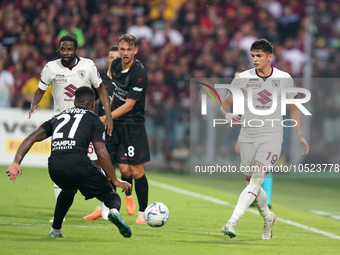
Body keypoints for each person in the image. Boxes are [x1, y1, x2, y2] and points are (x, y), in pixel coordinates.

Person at [6, 87, 132, 238]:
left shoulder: (58, 117)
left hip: (54, 166)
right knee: (111, 195)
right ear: (92, 104)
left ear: (74, 101)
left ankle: (55, 231)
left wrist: (16, 162)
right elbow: (101, 151)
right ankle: (114, 212)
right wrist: (114, 179)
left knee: (68, 189)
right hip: (78, 164)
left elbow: (32, 137)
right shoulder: (94, 120)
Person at [220, 39, 309, 239]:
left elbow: (294, 110)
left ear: (270, 57)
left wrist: (300, 137)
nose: (255, 59)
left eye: (259, 55)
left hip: (272, 136)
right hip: (248, 136)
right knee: (251, 183)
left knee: (257, 178)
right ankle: (268, 218)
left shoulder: (284, 78)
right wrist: (227, 115)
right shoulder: (242, 78)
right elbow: (225, 105)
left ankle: (231, 222)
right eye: (252, 56)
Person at [28, 34, 113, 222]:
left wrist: (108, 115)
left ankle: (105, 207)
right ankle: (61, 214)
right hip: (62, 125)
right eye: (63, 49)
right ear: (59, 49)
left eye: (69, 49)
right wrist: (34, 103)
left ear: (76, 50)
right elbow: (40, 91)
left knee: (97, 161)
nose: (66, 53)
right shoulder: (50, 68)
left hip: (85, 123)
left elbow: (101, 90)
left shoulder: (88, 66)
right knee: (60, 162)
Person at [100, 34, 150, 224]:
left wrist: (105, 117)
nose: (126, 53)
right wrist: (108, 116)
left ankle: (143, 213)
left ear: (135, 51)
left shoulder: (139, 73)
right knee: (107, 165)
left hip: (133, 125)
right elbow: (114, 94)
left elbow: (129, 105)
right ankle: (109, 208)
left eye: (129, 49)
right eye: (122, 49)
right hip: (114, 124)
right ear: (118, 50)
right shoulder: (114, 66)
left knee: (136, 172)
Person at [83, 45, 136, 221]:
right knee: (105, 166)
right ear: (107, 59)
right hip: (105, 130)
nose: (114, 60)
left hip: (124, 129)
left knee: (124, 168)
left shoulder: (126, 79)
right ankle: (104, 206)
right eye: (111, 57)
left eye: (117, 57)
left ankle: (128, 195)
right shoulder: (100, 81)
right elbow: (91, 100)